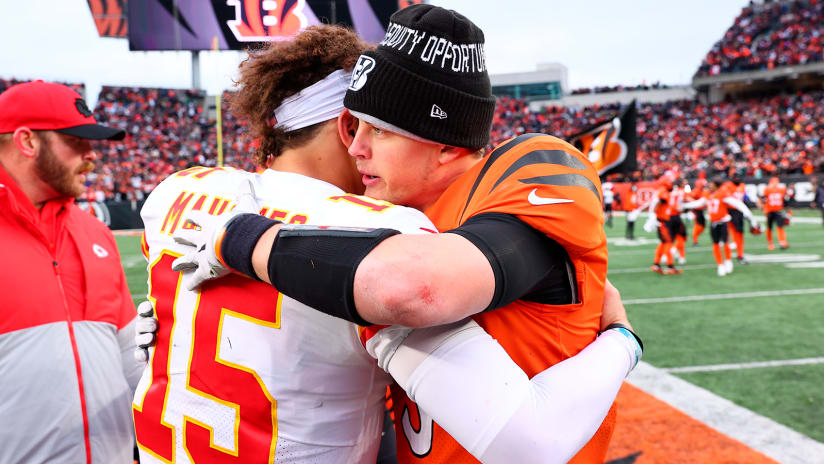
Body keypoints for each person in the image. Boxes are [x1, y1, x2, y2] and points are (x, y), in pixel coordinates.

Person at [135, 25, 641, 464]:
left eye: (379, 131)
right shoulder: (383, 232)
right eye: (362, 128)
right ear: (344, 124)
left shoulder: (181, 192)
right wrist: (622, 337)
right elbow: (522, 433)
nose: (361, 150)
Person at [0, 80, 143, 463]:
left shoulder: (95, 231)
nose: (91, 154)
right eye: (76, 140)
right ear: (27, 142)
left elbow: (130, 355)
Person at [682, 177, 759, 277]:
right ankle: (720, 265)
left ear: (716, 186)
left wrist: (748, 214)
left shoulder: (722, 193)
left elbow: (737, 203)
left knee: (725, 242)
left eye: (711, 184)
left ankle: (728, 261)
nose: (709, 186)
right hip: (713, 223)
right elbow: (699, 203)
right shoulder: (707, 194)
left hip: (723, 222)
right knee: (715, 244)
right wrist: (684, 206)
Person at [645, 174, 682, 274]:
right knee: (668, 243)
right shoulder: (663, 191)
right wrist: (652, 215)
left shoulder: (662, 191)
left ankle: (656, 264)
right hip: (663, 222)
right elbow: (657, 202)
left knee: (663, 243)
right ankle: (670, 266)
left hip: (662, 220)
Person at [761, 176, 790, 250]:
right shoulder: (767, 190)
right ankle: (770, 243)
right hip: (769, 211)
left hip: (778, 211)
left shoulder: (781, 190)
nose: (775, 184)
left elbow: (785, 201)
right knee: (770, 228)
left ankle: (782, 242)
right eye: (774, 182)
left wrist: (788, 211)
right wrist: (764, 208)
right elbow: (762, 200)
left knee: (780, 226)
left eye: (776, 182)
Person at [687, 177, 708, 246]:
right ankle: (695, 239)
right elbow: (688, 197)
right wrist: (695, 202)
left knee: (703, 225)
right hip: (696, 210)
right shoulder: (696, 191)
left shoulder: (703, 191)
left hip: (700, 210)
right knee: (698, 225)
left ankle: (695, 237)